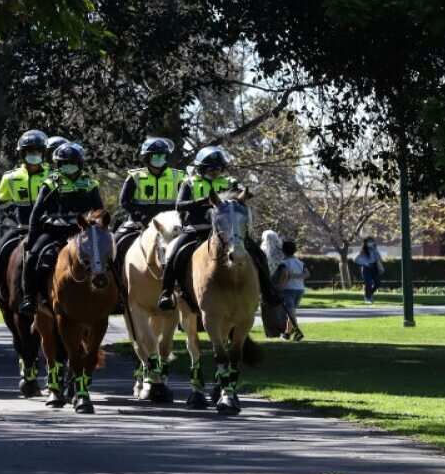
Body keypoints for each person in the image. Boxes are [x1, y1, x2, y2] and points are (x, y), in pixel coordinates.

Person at [156, 146, 281, 312]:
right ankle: (167, 292)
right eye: (210, 168)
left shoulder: (230, 182)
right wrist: (203, 201)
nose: (215, 171)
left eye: (218, 168)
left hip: (227, 231)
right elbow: (180, 205)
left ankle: (268, 291)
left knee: (258, 253)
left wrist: (244, 195)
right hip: (197, 230)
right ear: (201, 168)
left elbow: (244, 194)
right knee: (174, 254)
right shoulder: (189, 183)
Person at [18, 142, 104, 316]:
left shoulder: (90, 184)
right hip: (54, 231)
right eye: (64, 164)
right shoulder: (49, 183)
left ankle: (119, 296)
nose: (68, 167)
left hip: (82, 232)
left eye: (71, 163)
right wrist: (32, 237)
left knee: (108, 256)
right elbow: (37, 212)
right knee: (33, 256)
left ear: (79, 164)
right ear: (58, 165)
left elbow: (99, 212)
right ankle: (29, 298)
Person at [0, 130, 51, 320]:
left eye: (37, 151)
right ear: (22, 154)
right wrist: (10, 212)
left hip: (47, 228)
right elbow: (1, 201)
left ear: (43, 153)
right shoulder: (10, 177)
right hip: (20, 227)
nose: (33, 155)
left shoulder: (54, 175)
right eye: (28, 151)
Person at [114, 137, 185, 268]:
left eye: (161, 155)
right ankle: (117, 280)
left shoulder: (178, 176)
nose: (158, 158)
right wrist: (139, 215)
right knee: (117, 241)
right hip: (139, 220)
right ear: (147, 157)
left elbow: (184, 201)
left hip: (170, 222)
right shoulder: (135, 176)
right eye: (154, 156)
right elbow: (124, 201)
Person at [275, 240, 309, 341]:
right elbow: (307, 274)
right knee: (291, 312)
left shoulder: (283, 263)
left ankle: (296, 330)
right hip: (300, 289)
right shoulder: (300, 262)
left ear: (283, 251)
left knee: (290, 312)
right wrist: (295, 276)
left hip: (288, 290)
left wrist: (279, 287)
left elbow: (284, 275)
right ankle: (287, 333)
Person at [354, 238, 385, 304]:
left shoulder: (375, 250)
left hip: (374, 268)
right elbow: (356, 260)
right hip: (366, 268)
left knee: (378, 283)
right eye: (369, 242)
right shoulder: (363, 251)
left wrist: (381, 267)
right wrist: (365, 263)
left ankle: (369, 294)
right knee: (368, 283)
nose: (371, 243)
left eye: (372, 242)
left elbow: (379, 259)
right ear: (366, 243)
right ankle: (368, 298)